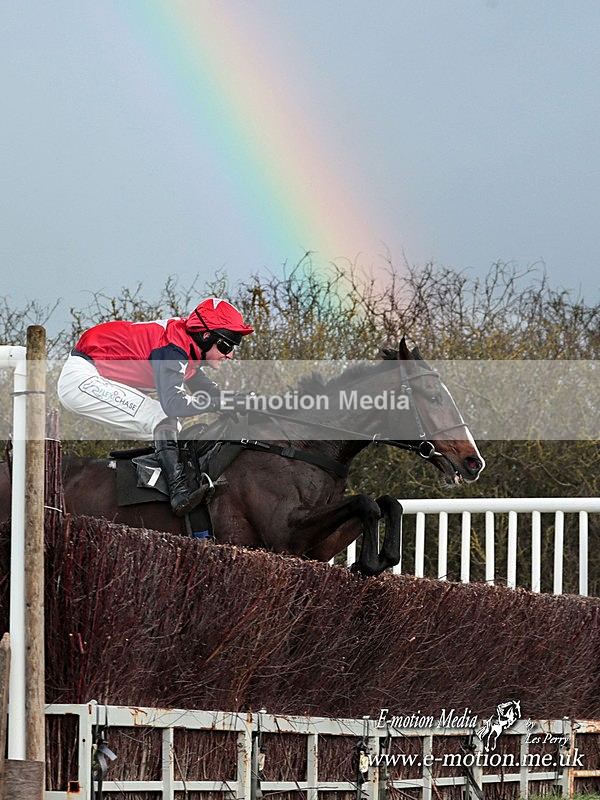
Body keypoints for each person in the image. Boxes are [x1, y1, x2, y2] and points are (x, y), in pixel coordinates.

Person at [58, 297, 254, 516]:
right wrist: (223, 402)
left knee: (168, 426)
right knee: (162, 416)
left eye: (234, 346)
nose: (230, 354)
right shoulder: (173, 350)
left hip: (96, 371)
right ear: (206, 335)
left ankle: (156, 480)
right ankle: (178, 492)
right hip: (81, 379)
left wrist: (245, 403)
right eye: (226, 345)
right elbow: (174, 404)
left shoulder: (188, 345)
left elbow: (211, 393)